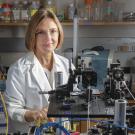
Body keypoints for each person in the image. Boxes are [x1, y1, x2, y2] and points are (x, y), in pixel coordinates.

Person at [5, 8, 74, 134]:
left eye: (53, 31)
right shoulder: (18, 70)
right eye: (41, 32)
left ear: (59, 33)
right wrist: (33, 114)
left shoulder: (67, 65)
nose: (48, 38)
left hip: (62, 130)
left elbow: (77, 99)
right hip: (31, 131)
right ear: (32, 36)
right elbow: (13, 109)